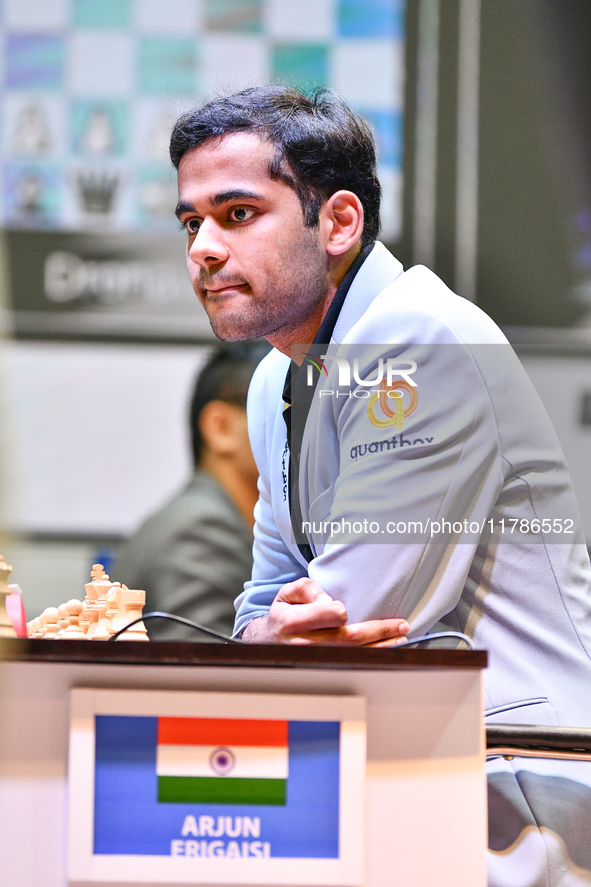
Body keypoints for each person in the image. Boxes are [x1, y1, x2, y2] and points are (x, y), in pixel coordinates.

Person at [169, 86, 591, 883]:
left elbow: (356, 617)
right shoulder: (273, 380)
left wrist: (266, 638)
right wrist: (267, 636)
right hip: (410, 774)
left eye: (235, 214)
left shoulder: (421, 337)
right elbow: (264, 607)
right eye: (190, 222)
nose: (201, 249)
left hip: (526, 795)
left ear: (337, 223)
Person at [114, 343, 267, 640]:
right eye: (282, 410)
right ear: (220, 428)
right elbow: (201, 680)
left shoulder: (205, 517)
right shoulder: (203, 530)